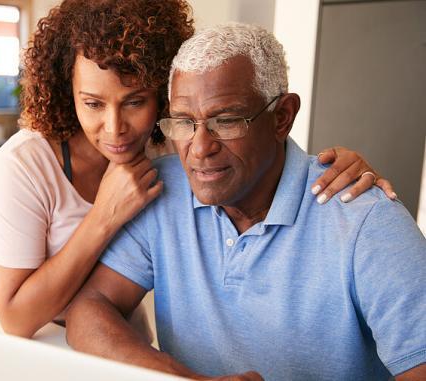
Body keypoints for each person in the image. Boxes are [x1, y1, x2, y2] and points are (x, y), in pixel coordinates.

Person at [0, 0, 396, 340]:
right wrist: (104, 215)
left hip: (115, 339)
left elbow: (255, 148)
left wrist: (341, 166)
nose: (116, 127)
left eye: (136, 101)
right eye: (93, 103)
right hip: (27, 345)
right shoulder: (25, 165)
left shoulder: (174, 141)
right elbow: (15, 318)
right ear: (67, 93)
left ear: (162, 94)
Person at [64, 23, 426, 380]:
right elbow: (89, 310)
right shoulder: (162, 190)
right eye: (184, 122)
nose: (200, 148)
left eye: (226, 120)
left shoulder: (367, 221)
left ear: (282, 117)